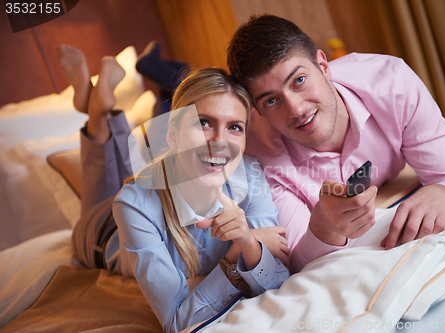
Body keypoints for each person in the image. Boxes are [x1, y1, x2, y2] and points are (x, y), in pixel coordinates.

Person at [226, 14, 445, 273]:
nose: (296, 109)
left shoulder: (392, 84)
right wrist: (324, 229)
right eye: (271, 101)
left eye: (299, 80)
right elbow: (294, 260)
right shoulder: (257, 157)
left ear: (323, 66)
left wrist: (443, 191)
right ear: (258, 111)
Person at [57, 45, 289, 333]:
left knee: (143, 176)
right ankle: (96, 113)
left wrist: (248, 240)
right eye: (204, 122)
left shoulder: (250, 178)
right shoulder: (134, 205)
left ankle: (98, 107)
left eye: (234, 127)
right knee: (118, 193)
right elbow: (177, 323)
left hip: (166, 179)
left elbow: (280, 283)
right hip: (101, 233)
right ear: (173, 133)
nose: (219, 142)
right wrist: (236, 255)